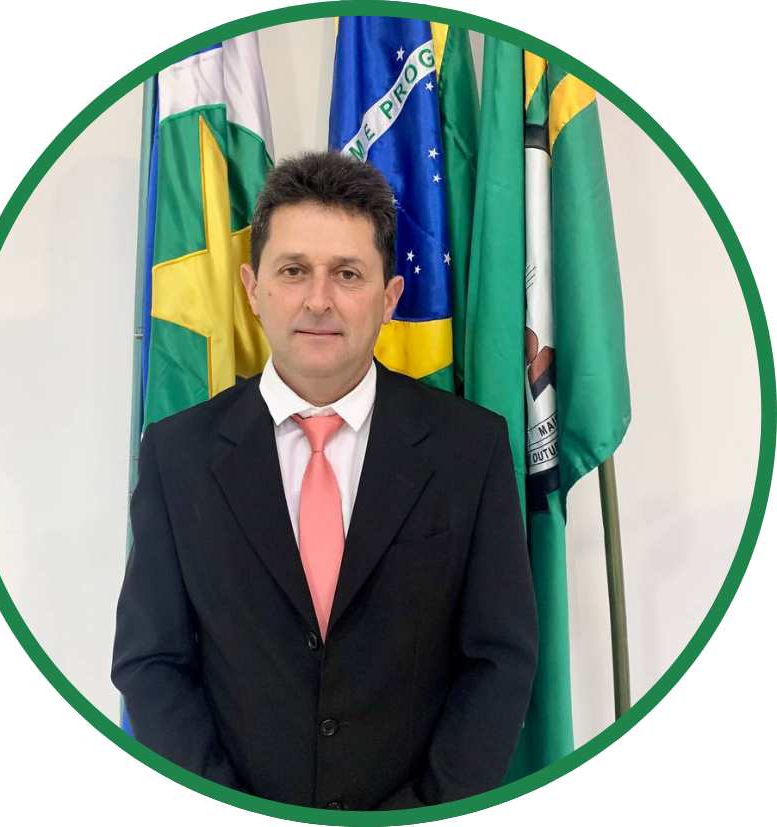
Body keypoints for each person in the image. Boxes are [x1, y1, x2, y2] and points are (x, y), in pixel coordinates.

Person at [112, 150, 538, 811]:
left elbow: (499, 658)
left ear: (389, 297)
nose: (318, 299)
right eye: (293, 271)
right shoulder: (178, 454)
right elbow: (150, 660)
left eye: (347, 273)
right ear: (252, 289)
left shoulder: (468, 448)